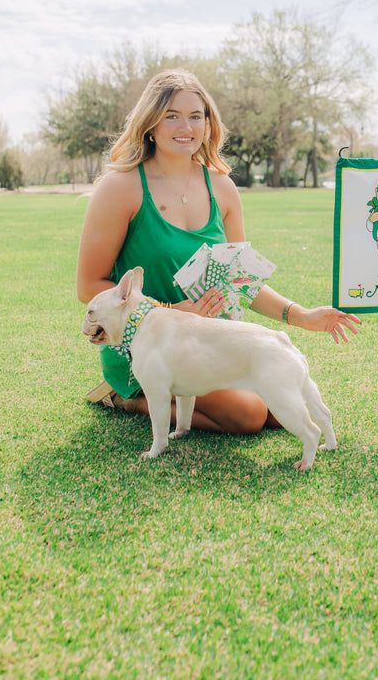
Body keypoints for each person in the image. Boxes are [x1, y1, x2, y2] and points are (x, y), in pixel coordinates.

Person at [76, 68, 361, 435]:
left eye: (196, 116)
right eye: (171, 115)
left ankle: (178, 394)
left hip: (210, 341)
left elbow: (238, 279)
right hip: (149, 344)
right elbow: (88, 286)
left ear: (208, 123)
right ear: (150, 124)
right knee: (249, 416)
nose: (186, 126)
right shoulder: (121, 187)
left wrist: (301, 315)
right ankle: (128, 396)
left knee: (281, 406)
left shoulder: (222, 188)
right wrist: (169, 310)